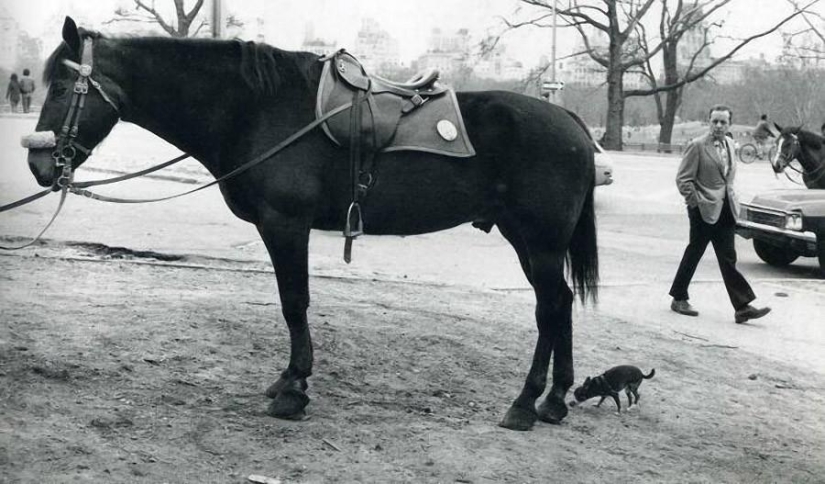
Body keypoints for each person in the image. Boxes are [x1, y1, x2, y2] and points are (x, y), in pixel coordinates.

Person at [669, 104, 771, 324]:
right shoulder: (697, 146)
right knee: (695, 252)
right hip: (703, 210)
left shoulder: (730, 145)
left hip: (725, 210)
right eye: (714, 121)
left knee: (728, 258)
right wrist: (695, 202)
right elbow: (683, 179)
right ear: (709, 122)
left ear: (729, 124)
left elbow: (727, 178)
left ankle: (742, 307)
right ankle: (679, 298)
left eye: (723, 122)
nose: (718, 125)